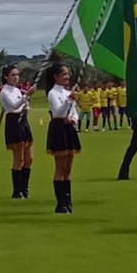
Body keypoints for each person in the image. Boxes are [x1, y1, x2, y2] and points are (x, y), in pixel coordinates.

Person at [42, 63, 81, 214]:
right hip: (58, 128)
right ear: (56, 76)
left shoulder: (67, 92)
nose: (67, 76)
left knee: (69, 168)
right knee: (60, 167)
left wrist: (73, 119)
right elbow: (58, 111)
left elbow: (74, 111)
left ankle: (68, 201)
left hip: (69, 128)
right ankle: (61, 203)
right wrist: (69, 100)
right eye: (64, 74)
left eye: (68, 74)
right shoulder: (53, 93)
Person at [0, 65, 34, 198]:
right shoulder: (4, 92)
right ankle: (17, 190)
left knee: (29, 158)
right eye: (13, 75)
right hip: (14, 122)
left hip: (23, 121)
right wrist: (26, 95)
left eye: (17, 75)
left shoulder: (17, 91)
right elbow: (13, 105)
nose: (16, 77)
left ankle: (25, 188)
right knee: (18, 159)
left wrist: (26, 107)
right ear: (6, 77)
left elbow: (23, 104)